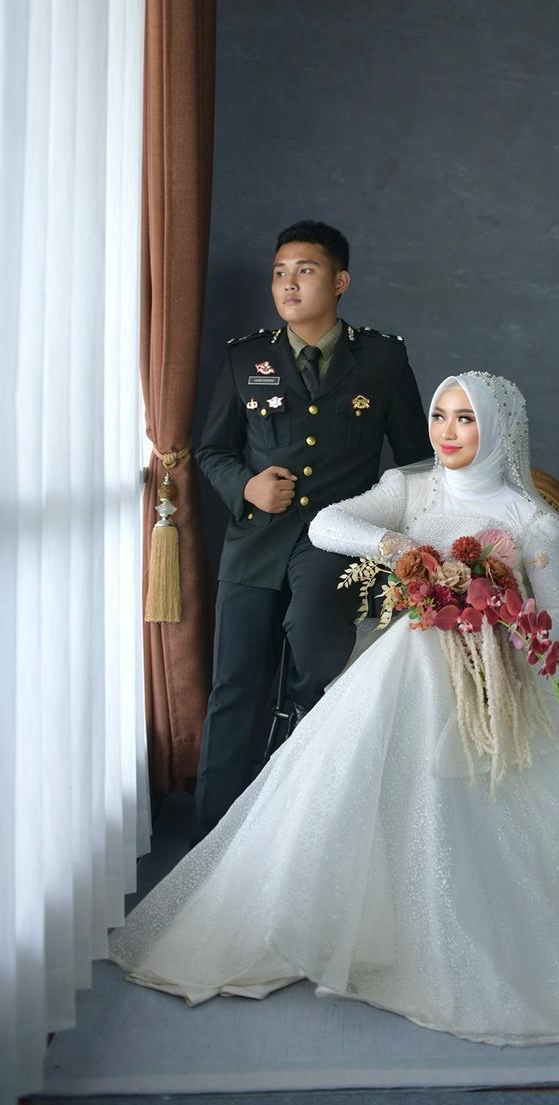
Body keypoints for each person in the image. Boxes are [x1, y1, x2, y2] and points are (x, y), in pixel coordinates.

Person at [109, 371, 559, 1045]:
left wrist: (494, 622)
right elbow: (323, 524)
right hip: (413, 661)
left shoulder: (532, 519)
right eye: (440, 416)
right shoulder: (411, 489)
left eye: (465, 419)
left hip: (506, 669)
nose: (447, 432)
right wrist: (403, 551)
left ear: (497, 429)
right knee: (394, 685)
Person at [190, 219, 430, 846]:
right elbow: (212, 450)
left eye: (305, 270)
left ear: (340, 281)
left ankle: (295, 834)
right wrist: (246, 486)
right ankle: (211, 842)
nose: (288, 284)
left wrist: (409, 539)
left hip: (337, 542)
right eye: (279, 273)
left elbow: (414, 460)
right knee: (235, 683)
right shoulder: (246, 357)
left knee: (315, 675)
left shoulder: (382, 358)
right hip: (255, 541)